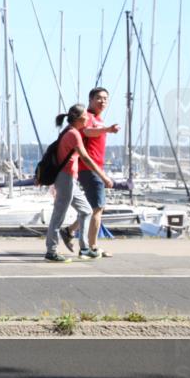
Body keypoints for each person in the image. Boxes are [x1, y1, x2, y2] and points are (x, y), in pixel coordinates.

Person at [45, 104, 114, 262]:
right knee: (59, 215)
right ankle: (51, 251)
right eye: (86, 117)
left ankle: (84, 249)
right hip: (65, 178)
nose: (88, 119)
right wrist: (104, 177)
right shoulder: (73, 134)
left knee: (86, 211)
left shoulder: (71, 131)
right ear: (79, 118)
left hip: (70, 178)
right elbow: (86, 158)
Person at [60, 87, 120, 257]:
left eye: (106, 98)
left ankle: (69, 231)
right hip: (89, 168)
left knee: (92, 208)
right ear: (91, 100)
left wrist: (105, 128)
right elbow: (87, 131)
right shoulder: (88, 116)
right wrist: (107, 129)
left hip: (95, 167)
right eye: (99, 98)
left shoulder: (99, 119)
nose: (103, 101)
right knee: (97, 208)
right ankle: (92, 247)